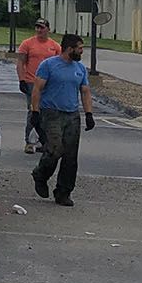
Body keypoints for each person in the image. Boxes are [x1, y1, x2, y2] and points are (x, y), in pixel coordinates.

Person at [29, 32, 94, 207]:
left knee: (71, 156)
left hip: (72, 115)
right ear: (69, 49)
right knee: (55, 150)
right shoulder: (49, 65)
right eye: (79, 49)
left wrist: (89, 114)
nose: (81, 52)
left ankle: (63, 192)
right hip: (52, 113)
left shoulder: (79, 69)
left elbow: (85, 91)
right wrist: (35, 112)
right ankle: (40, 174)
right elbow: (37, 89)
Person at [14, 18, 60, 154]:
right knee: (33, 111)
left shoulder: (55, 46)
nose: (39, 30)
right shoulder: (27, 44)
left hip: (48, 83)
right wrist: (21, 80)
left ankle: (43, 141)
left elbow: (59, 65)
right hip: (31, 82)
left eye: (42, 27)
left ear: (48, 29)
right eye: (37, 27)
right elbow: (21, 63)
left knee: (47, 112)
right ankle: (29, 141)